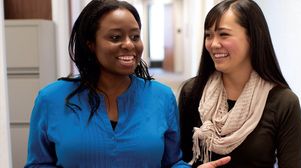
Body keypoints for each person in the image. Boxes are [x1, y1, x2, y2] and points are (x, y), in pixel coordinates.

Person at [25, 0, 230, 167]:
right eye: (115, 37)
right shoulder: (51, 99)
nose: (129, 45)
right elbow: (38, 164)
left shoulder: (161, 96)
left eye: (135, 36)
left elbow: (171, 162)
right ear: (91, 44)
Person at [178, 0, 301, 168]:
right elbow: (175, 160)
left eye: (224, 34)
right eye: (209, 35)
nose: (213, 44)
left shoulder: (284, 102)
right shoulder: (192, 92)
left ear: (252, 38)